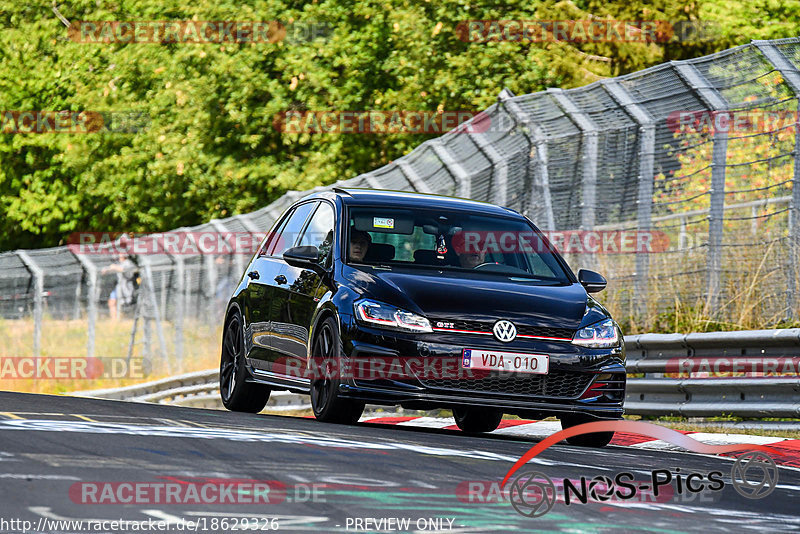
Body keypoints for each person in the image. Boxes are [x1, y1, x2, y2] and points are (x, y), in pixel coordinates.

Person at [102, 253, 138, 321]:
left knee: (126, 304)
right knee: (112, 302)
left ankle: (128, 318)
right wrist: (106, 269)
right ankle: (114, 320)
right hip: (118, 287)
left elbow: (128, 272)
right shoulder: (118, 263)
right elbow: (112, 267)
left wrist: (115, 267)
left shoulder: (129, 263)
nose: (119, 255)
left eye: (121, 253)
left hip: (126, 287)